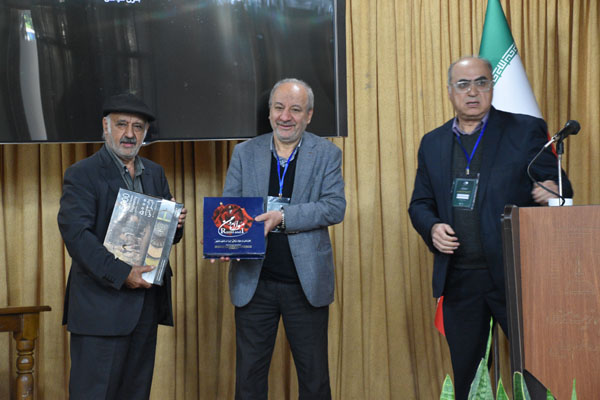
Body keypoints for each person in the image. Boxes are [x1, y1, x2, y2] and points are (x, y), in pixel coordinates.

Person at [408, 56, 573, 399]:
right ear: (450, 91)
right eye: (463, 84)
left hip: (517, 276)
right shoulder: (432, 142)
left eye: (481, 82)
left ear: (492, 87)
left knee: (537, 373)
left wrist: (552, 188)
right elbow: (420, 204)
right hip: (460, 279)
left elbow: (560, 185)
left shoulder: (525, 130)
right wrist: (432, 227)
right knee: (469, 379)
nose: (473, 92)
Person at [221, 78, 346, 400]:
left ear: (309, 115)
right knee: (249, 379)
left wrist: (284, 216)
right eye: (279, 108)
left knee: (314, 379)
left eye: (295, 109)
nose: (285, 116)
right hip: (254, 282)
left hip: (305, 285)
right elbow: (230, 207)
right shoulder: (244, 153)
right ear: (269, 112)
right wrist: (225, 242)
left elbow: (334, 207)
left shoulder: (327, 153)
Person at [57, 93, 187, 400]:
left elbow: (164, 239)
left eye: (137, 127)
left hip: (145, 308)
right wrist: (122, 273)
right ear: (105, 127)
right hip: (100, 310)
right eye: (121, 124)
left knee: (136, 394)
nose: (130, 134)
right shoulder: (82, 173)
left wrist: (175, 224)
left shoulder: (154, 172)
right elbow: (77, 236)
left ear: (145, 133)